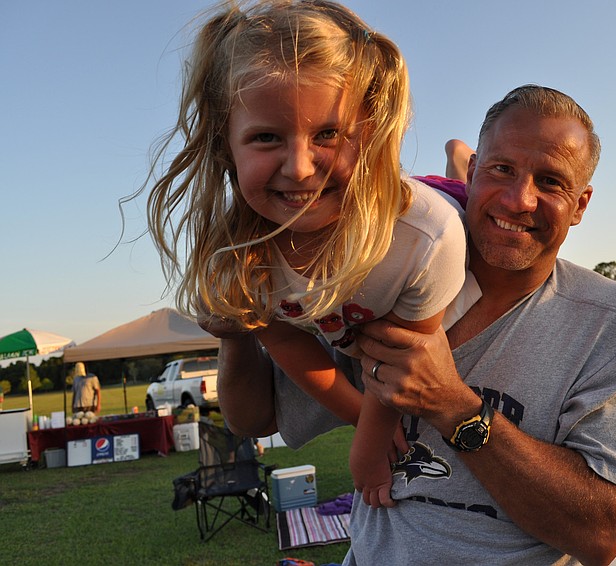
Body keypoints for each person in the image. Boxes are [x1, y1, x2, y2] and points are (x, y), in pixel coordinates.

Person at [212, 85, 616, 565]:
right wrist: (237, 329)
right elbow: (252, 419)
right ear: (472, 172)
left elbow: (601, 535)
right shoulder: (383, 279)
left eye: (551, 182)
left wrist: (455, 407)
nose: (519, 199)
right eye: (501, 169)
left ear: (580, 205)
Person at [145, 0, 470, 508]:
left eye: (328, 134)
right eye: (267, 137)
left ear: (372, 130)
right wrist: (363, 419)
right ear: (224, 145)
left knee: (465, 203)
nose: (297, 168)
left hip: (437, 210)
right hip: (352, 266)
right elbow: (290, 347)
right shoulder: (243, 255)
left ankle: (460, 166)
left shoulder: (424, 236)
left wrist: (369, 441)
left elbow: (407, 354)